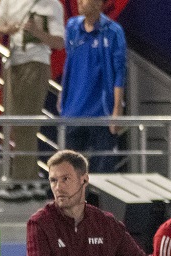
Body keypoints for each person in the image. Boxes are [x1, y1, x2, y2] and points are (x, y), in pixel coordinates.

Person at [24, 149, 157, 256]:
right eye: (53, 180)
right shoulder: (40, 223)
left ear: (85, 180)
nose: (58, 187)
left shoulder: (106, 223)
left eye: (65, 179)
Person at [0, 0, 64, 201]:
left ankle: (21, 181)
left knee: (26, 124)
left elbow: (59, 42)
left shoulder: (51, 4)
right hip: (13, 63)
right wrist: (6, 29)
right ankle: (31, 181)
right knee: (17, 123)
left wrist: (39, 34)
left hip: (36, 63)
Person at [58, 0, 126, 173]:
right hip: (74, 111)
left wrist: (116, 110)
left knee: (102, 174)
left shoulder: (113, 31)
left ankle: (96, 201)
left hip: (101, 114)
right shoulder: (72, 27)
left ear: (98, 3)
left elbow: (119, 72)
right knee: (70, 171)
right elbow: (70, 63)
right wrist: (63, 94)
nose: (79, 2)